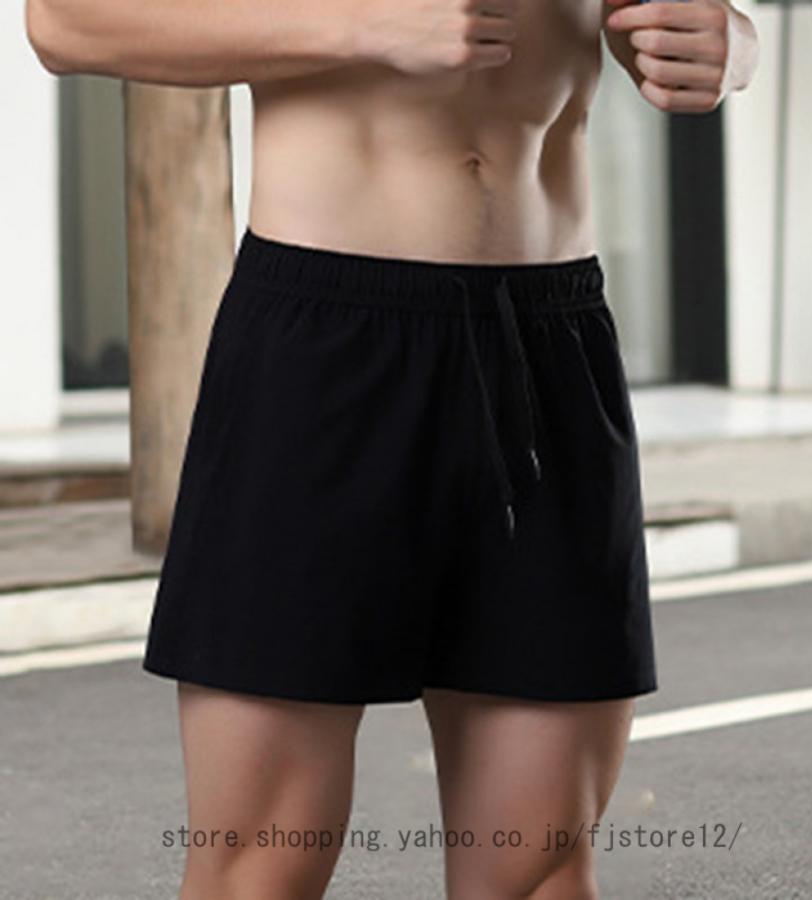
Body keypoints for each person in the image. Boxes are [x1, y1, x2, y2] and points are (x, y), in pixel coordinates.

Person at [28, 0, 758, 896]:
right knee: (258, 863)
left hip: (547, 345)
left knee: (537, 867)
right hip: (326, 348)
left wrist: (732, 44)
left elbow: (661, 18)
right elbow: (65, 21)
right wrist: (364, 25)